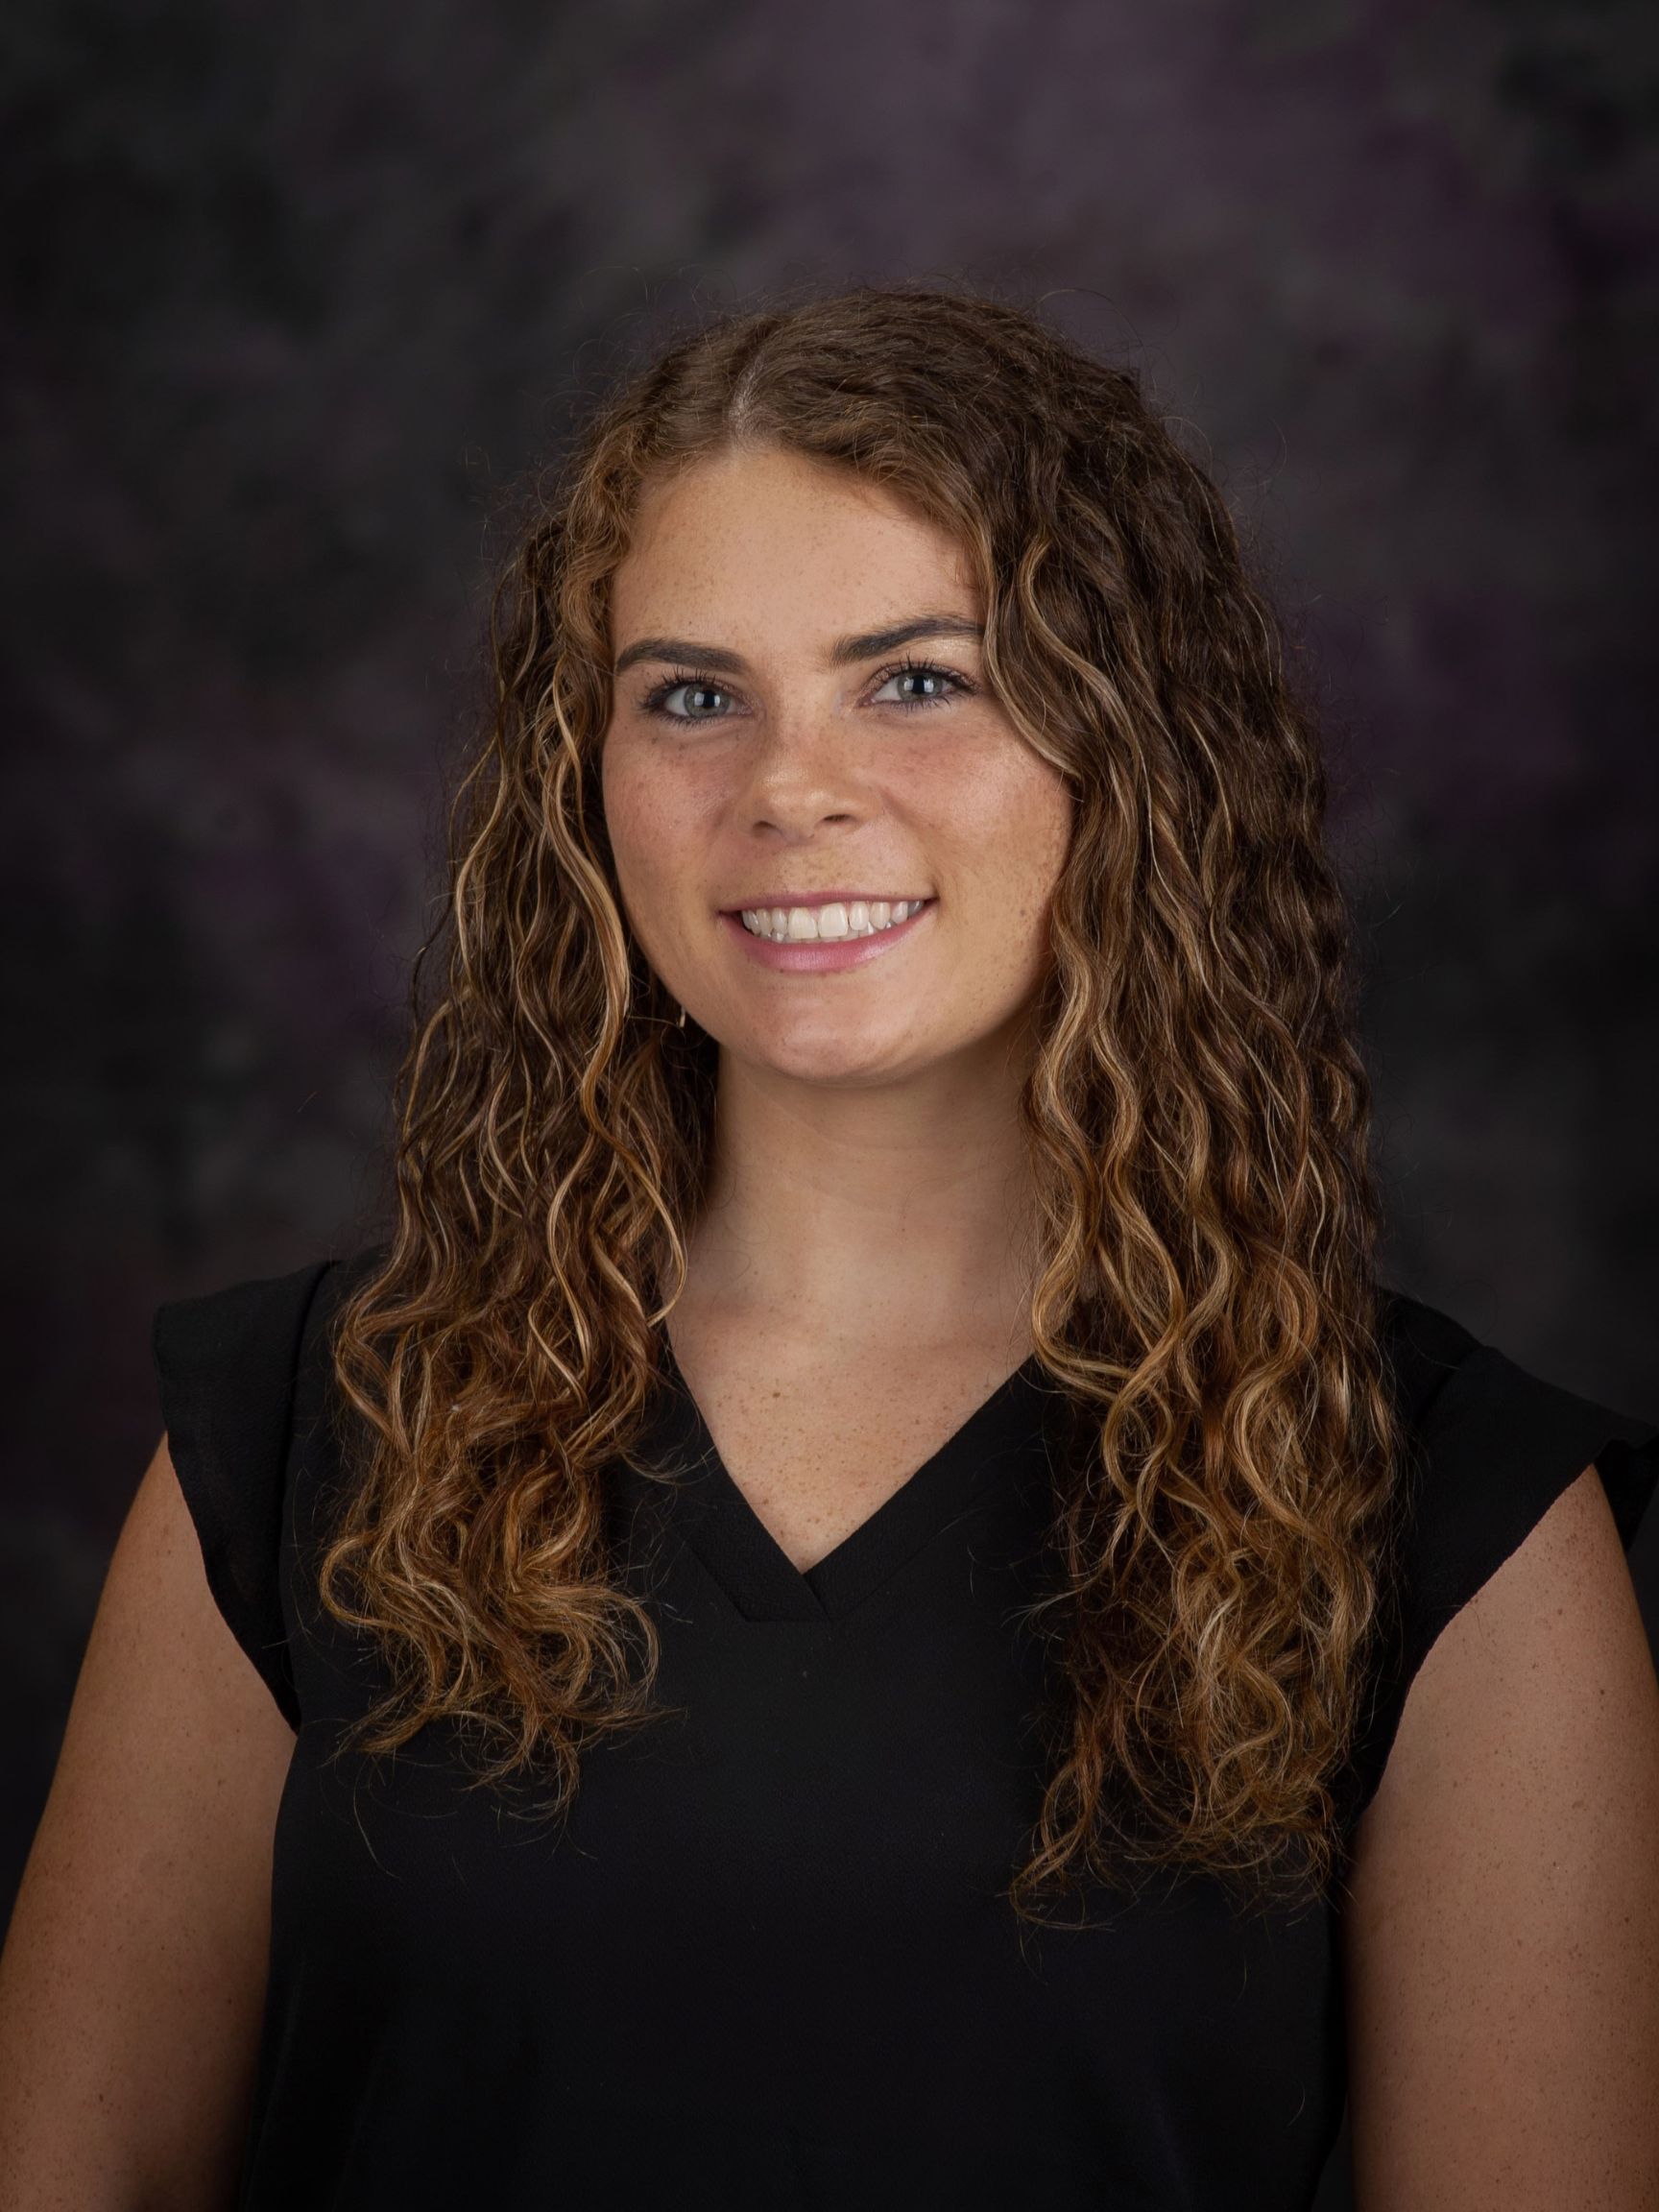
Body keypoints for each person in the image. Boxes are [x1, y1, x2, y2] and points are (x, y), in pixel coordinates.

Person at [1, 285, 1656, 2212]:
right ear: (585, 779)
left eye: (919, 677)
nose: (790, 787)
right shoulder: (308, 1430)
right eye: (693, 696)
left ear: (1133, 750)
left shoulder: (1448, 1514)